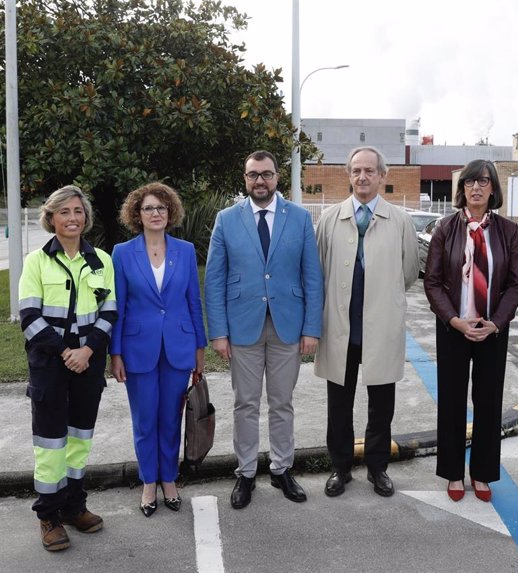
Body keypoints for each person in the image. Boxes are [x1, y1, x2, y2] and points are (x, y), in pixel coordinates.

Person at [205, 150, 323, 509]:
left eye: (267, 174)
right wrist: (219, 332)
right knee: (245, 403)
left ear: (277, 178)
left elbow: (312, 277)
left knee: (282, 402)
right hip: (242, 327)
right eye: (253, 174)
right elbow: (214, 280)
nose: (260, 181)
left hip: (288, 325)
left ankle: (282, 468)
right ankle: (245, 472)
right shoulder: (226, 220)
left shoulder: (300, 219)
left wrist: (311, 328)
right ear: (245, 179)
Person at [315, 146, 420, 498]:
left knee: (381, 405)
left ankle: (377, 468)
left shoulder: (400, 221)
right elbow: (320, 270)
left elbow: (407, 273)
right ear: (349, 175)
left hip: (381, 328)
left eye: (369, 171)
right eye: (356, 171)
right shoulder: (330, 219)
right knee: (338, 406)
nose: (362, 177)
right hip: (341, 330)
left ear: (382, 176)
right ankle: (340, 468)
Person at [19, 185, 117, 551]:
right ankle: (48, 515)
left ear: (85, 217)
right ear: (51, 218)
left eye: (78, 211)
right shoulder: (36, 261)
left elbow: (110, 312)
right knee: (50, 444)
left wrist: (88, 351)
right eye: (64, 212)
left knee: (79, 440)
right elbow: (29, 317)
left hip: (88, 366)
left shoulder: (101, 261)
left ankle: (75, 506)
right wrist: (67, 352)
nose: (72, 218)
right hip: (50, 366)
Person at [424, 160, 518, 502]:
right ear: (462, 189)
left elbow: (516, 283)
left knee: (488, 402)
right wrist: (453, 319)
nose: (476, 188)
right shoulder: (445, 228)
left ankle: (482, 474)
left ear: (493, 188)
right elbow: (433, 282)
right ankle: (453, 473)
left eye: (483, 181)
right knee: (451, 402)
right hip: (454, 328)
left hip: (491, 330)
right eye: (469, 182)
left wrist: (496, 322)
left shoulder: (509, 232)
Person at [110, 182, 206, 517]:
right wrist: (116, 353)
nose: (156, 213)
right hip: (138, 350)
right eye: (149, 208)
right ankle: (148, 482)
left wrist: (199, 348)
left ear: (171, 213)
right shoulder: (122, 253)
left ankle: (169, 479)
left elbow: (193, 302)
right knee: (145, 421)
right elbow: (118, 306)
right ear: (137, 214)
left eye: (161, 208)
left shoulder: (185, 249)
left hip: (179, 348)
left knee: (170, 420)